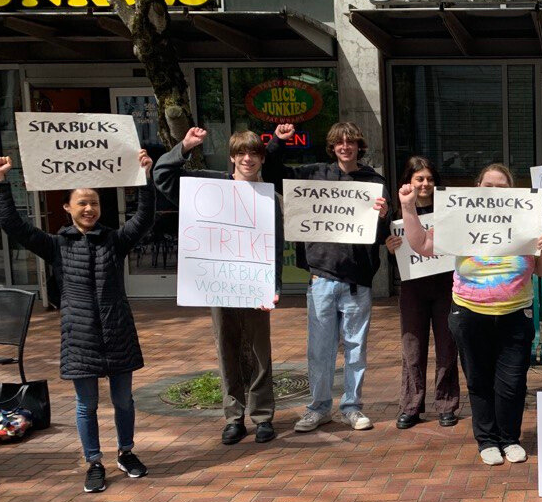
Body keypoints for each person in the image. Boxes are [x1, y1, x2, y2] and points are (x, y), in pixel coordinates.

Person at [0, 152, 154, 493]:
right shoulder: (55, 245)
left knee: (124, 400)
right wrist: (0, 184)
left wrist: (145, 178)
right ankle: (93, 461)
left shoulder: (115, 240)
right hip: (79, 337)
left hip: (118, 332)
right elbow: (14, 226)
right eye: (81, 203)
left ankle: (126, 452)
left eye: (93, 203)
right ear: (67, 208)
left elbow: (144, 218)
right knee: (87, 404)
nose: (89, 209)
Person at [399, 163, 542, 466]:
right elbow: (423, 244)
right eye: (489, 186)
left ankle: (509, 438)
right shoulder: (461, 217)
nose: (495, 192)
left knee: (512, 382)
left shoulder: (527, 220)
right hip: (469, 313)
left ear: (512, 191)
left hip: (515, 315)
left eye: (502, 187)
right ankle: (487, 440)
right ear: (477, 189)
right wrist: (407, 207)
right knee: (479, 380)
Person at [154, 128, 283, 446]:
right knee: (227, 348)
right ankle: (234, 417)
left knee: (259, 351)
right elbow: (163, 177)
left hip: (255, 284)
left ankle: (263, 416)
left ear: (261, 158)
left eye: (254, 154)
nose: (248, 159)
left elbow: (276, 247)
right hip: (219, 282)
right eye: (241, 153)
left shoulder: (271, 198)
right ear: (232, 157)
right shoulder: (211, 186)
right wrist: (183, 147)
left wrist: (274, 285)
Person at [267, 122, 389, 433]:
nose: (345, 146)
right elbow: (272, 174)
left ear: (359, 145)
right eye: (340, 142)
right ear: (332, 146)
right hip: (321, 278)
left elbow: (383, 235)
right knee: (319, 349)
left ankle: (352, 406)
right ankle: (319, 407)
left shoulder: (374, 182)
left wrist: (384, 215)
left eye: (351, 141)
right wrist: (278, 142)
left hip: (357, 282)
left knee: (355, 348)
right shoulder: (313, 174)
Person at [385, 156, 460, 429]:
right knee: (412, 348)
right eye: (420, 179)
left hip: (446, 286)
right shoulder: (398, 213)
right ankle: (411, 406)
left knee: (447, 347)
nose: (425, 184)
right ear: (410, 182)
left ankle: (446, 404)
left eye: (429, 179)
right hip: (413, 288)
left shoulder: (449, 211)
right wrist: (391, 248)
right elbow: (399, 259)